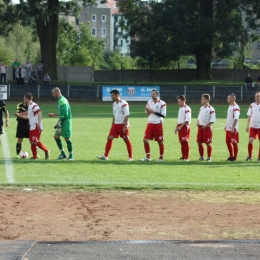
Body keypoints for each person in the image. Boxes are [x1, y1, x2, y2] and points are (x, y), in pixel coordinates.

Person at [96, 89, 133, 161]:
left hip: (123, 125)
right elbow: (114, 115)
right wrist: (112, 125)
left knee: (126, 140)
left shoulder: (124, 104)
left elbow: (127, 115)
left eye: (112, 95)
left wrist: (125, 126)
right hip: (116, 125)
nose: (111, 97)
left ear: (117, 95)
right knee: (109, 138)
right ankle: (105, 156)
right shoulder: (114, 104)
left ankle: (130, 157)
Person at [15, 93, 50, 160]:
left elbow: (39, 113)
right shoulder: (29, 106)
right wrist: (19, 115)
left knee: (35, 141)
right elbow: (28, 117)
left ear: (27, 99)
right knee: (32, 141)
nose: (24, 100)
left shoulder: (34, 105)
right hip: (32, 127)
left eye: (24, 98)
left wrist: (39, 123)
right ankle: (34, 156)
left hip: (36, 126)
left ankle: (46, 150)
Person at [48, 88, 74, 161]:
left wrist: (60, 121)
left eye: (53, 93)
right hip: (62, 120)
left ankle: (71, 155)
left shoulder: (63, 101)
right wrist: (54, 115)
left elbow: (65, 114)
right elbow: (61, 113)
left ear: (56, 93)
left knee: (67, 138)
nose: (52, 95)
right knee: (56, 136)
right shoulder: (60, 100)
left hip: (66, 122)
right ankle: (63, 154)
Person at [140, 89, 166, 161]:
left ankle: (161, 158)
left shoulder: (162, 103)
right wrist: (147, 112)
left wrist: (152, 111)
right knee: (145, 140)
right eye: (151, 94)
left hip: (158, 124)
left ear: (157, 95)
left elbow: (163, 115)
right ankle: (148, 157)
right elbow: (147, 113)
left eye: (154, 94)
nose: (152, 95)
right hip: (150, 124)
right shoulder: (149, 102)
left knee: (160, 141)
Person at [197, 93, 216, 162]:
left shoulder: (211, 109)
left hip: (207, 128)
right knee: (199, 142)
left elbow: (213, 119)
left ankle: (209, 157)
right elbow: (199, 117)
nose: (201, 100)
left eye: (202, 99)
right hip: (200, 127)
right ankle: (201, 156)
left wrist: (206, 125)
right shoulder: (201, 108)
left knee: (208, 143)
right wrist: (198, 122)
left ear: (206, 99)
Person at [174, 95, 191, 161]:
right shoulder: (180, 108)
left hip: (185, 126)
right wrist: (176, 128)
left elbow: (187, 120)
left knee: (185, 141)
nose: (178, 102)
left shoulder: (187, 109)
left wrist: (181, 127)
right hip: (180, 126)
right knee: (181, 141)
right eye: (178, 101)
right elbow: (179, 120)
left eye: (179, 101)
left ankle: (186, 157)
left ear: (184, 101)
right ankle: (183, 155)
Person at [225, 93, 240, 162]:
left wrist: (233, 127)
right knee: (228, 142)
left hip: (233, 128)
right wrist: (226, 125)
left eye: (228, 98)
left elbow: (236, 118)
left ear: (233, 99)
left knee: (234, 142)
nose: (227, 99)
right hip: (228, 127)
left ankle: (235, 157)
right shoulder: (230, 106)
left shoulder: (236, 107)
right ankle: (231, 156)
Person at [245, 91, 260, 161]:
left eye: (258, 96)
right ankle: (250, 156)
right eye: (256, 96)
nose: (257, 97)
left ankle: (259, 157)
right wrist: (247, 125)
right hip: (253, 126)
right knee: (250, 140)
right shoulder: (252, 105)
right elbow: (249, 115)